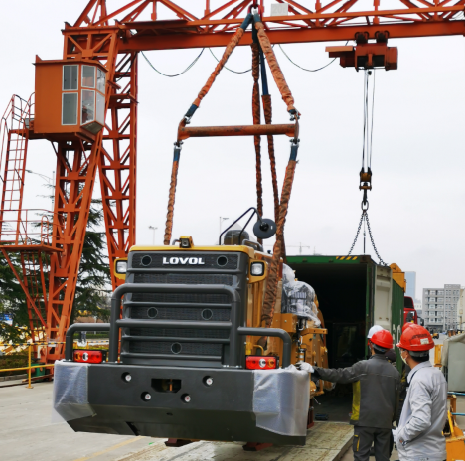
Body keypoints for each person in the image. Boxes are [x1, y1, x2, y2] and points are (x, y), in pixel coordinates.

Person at [298, 329, 400, 461]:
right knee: (383, 458)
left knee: (361, 456)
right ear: (388, 349)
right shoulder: (394, 372)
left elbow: (339, 375)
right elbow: (396, 401)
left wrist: (313, 369)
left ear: (370, 345)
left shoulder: (362, 367)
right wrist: (391, 421)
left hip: (364, 421)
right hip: (385, 423)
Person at [394, 324, 447, 461]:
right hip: (434, 451)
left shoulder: (419, 380)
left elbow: (420, 421)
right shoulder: (436, 375)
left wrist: (400, 436)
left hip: (419, 453)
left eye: (401, 349)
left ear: (406, 353)